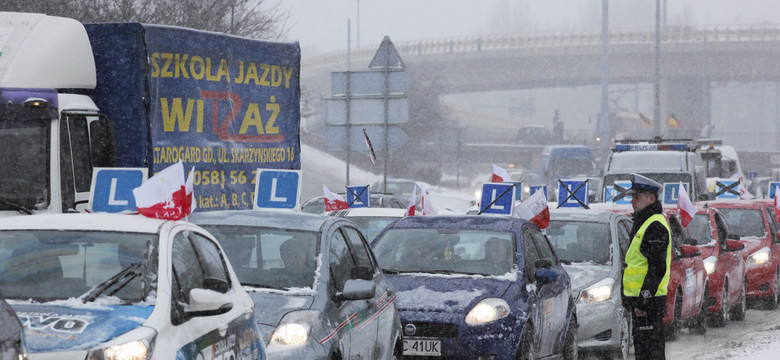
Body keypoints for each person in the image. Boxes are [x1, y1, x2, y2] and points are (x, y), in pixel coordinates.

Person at [622, 173, 672, 360]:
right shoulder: (644, 222)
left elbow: (657, 267)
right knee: (645, 352)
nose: (632, 201)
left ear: (650, 198)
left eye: (636, 197)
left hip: (649, 302)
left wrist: (644, 299)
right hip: (642, 301)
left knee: (650, 352)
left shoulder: (654, 225)